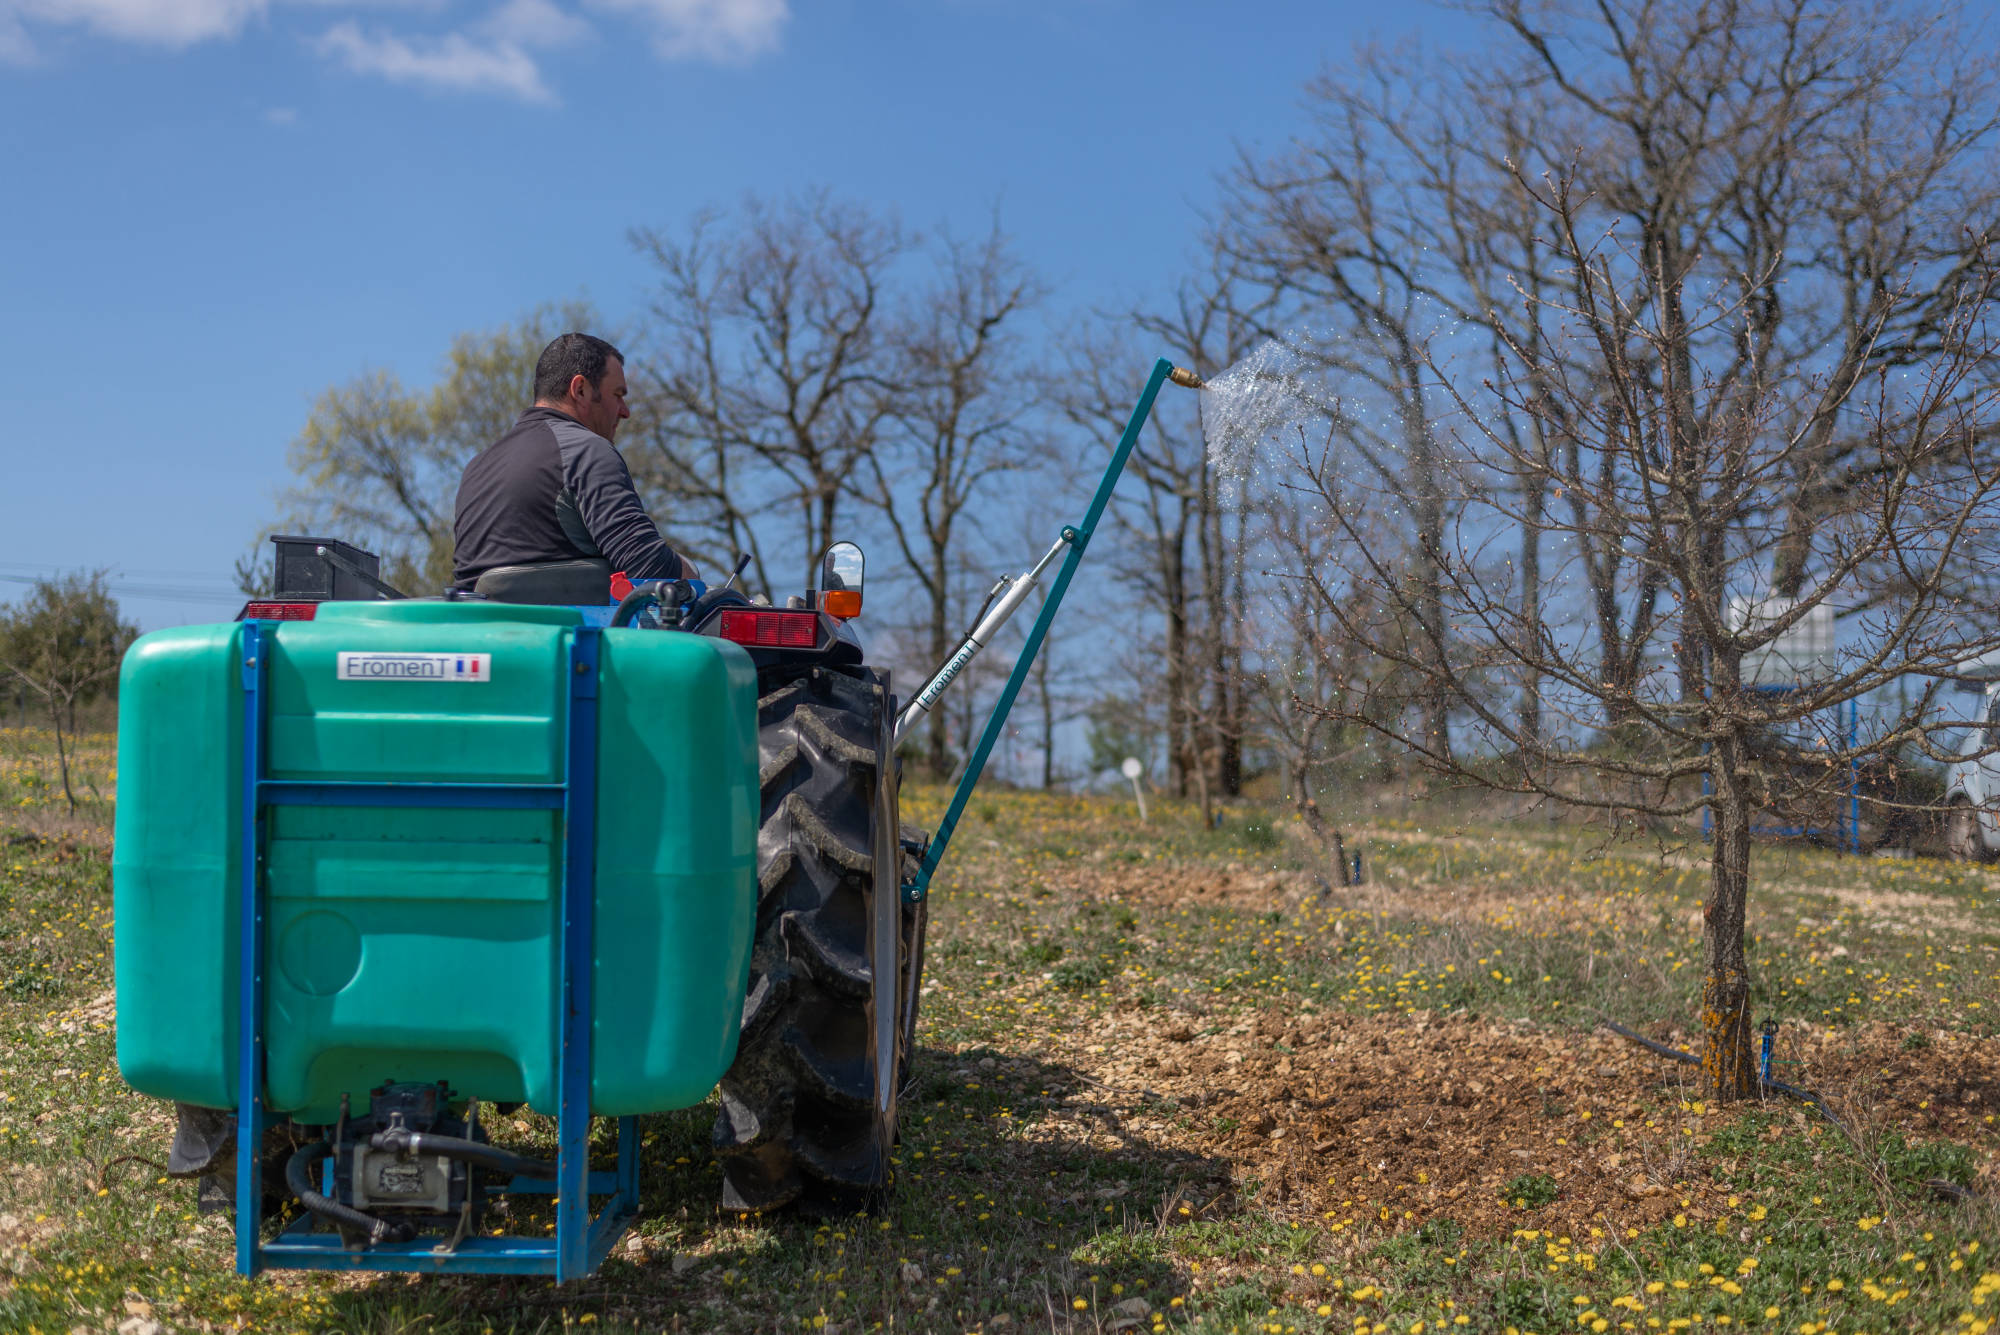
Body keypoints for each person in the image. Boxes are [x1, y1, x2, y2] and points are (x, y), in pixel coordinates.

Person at [452, 332, 699, 589]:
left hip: (474, 627)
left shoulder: (476, 467)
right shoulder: (586, 451)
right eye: (617, 395)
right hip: (565, 627)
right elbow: (649, 567)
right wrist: (693, 574)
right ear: (580, 390)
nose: (625, 411)